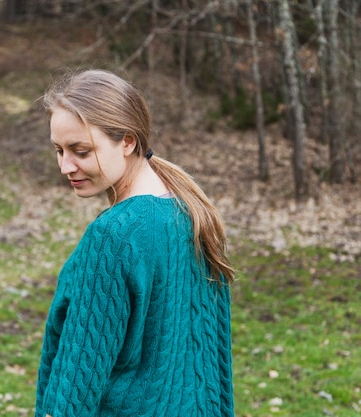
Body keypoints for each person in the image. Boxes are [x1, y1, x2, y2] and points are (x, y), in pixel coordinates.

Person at [34, 69, 235, 417]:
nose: (66, 166)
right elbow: (211, 373)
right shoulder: (193, 212)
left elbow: (77, 382)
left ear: (127, 141)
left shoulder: (114, 235)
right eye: (59, 150)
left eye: (81, 151)